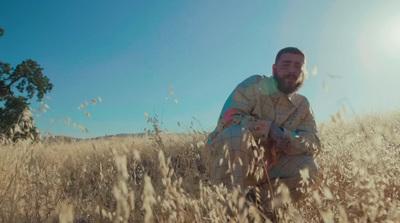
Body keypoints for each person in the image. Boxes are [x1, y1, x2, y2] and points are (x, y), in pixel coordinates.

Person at [202, 47, 321, 213]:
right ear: (274, 69)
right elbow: (227, 120)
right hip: (227, 158)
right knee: (236, 136)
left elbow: (314, 143)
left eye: (298, 67)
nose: (292, 70)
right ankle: (227, 211)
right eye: (286, 64)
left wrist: (285, 137)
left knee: (310, 168)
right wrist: (269, 129)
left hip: (269, 166)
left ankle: (255, 211)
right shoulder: (254, 84)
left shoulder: (303, 105)